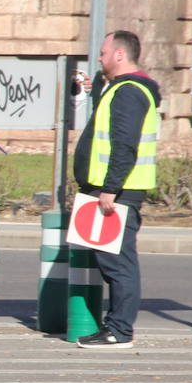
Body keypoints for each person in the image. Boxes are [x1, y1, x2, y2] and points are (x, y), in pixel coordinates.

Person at [71, 29, 160, 349]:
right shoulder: (122, 88)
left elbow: (125, 145)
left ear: (120, 55)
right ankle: (116, 326)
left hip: (119, 193)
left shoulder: (129, 92)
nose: (99, 57)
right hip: (116, 190)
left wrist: (110, 188)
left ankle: (120, 330)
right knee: (113, 260)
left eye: (104, 53)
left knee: (118, 263)